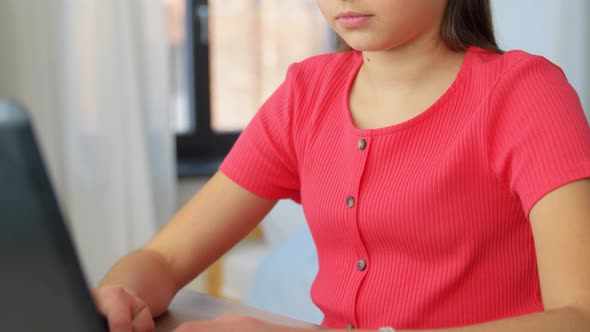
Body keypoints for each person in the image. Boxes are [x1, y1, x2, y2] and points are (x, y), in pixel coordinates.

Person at [93, 0, 590, 331]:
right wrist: (120, 296)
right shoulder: (306, 96)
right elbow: (164, 260)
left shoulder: (525, 94)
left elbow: (579, 313)